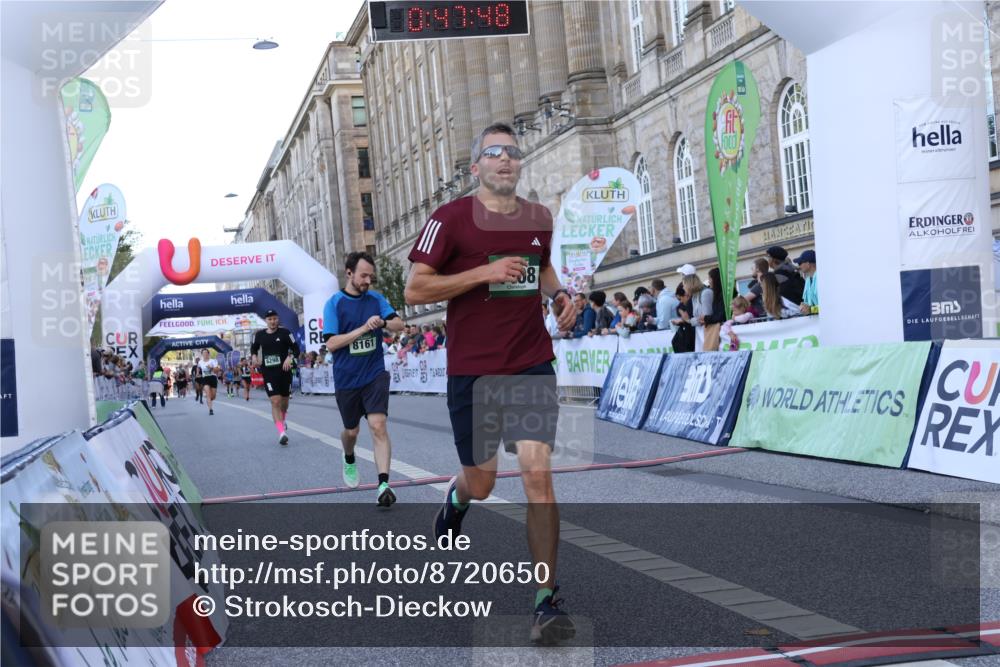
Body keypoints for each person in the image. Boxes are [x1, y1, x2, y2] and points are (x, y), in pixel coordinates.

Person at [404, 122, 578, 644]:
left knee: (537, 477)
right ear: (475, 165)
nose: (505, 160)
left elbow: (543, 269)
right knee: (481, 482)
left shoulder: (538, 218)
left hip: (528, 362)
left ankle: (544, 602)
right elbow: (415, 289)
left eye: (513, 153)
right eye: (494, 153)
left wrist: (558, 297)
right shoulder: (449, 219)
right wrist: (483, 273)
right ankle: (455, 501)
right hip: (473, 371)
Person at [323, 251, 404, 507]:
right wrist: (363, 328)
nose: (368, 280)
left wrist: (382, 324)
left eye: (371, 275)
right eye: (363, 275)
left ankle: (383, 484)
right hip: (347, 378)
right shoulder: (334, 303)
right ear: (349, 274)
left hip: (374, 373)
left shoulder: (376, 299)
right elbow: (332, 344)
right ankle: (348, 456)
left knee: (378, 425)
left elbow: (398, 324)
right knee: (352, 431)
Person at [251, 309, 300, 445]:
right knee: (275, 401)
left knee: (284, 402)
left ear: (278, 319)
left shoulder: (285, 333)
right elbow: (253, 348)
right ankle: (281, 433)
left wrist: (289, 358)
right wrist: (254, 357)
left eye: (275, 319)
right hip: (269, 373)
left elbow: (296, 348)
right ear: (266, 321)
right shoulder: (259, 335)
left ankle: (283, 420)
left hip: (284, 372)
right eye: (270, 319)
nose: (272, 321)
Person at [698, 268, 728, 351]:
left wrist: (706, 318)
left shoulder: (723, 295)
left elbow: (721, 315)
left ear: (715, 279)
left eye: (710, 278)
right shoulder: (716, 293)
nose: (709, 281)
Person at [671, 282, 696, 353]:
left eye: (680, 299)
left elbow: (690, 319)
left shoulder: (692, 304)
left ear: (686, 295)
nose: (681, 301)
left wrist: (684, 320)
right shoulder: (681, 307)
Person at [194, 349, 219, 415]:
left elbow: (217, 370)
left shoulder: (213, 361)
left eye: (206, 353)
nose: (205, 354)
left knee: (213, 396)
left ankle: (209, 399)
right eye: (203, 353)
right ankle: (210, 409)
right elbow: (198, 367)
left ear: (208, 354)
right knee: (208, 394)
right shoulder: (200, 362)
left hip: (213, 378)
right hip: (205, 378)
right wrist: (197, 373)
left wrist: (211, 368)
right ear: (202, 354)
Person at [795, 250, 818, 314]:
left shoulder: (821, 279)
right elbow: (807, 303)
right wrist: (803, 307)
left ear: (808, 264)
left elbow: (827, 306)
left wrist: (811, 310)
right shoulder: (808, 280)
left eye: (800, 263)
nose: (799, 266)